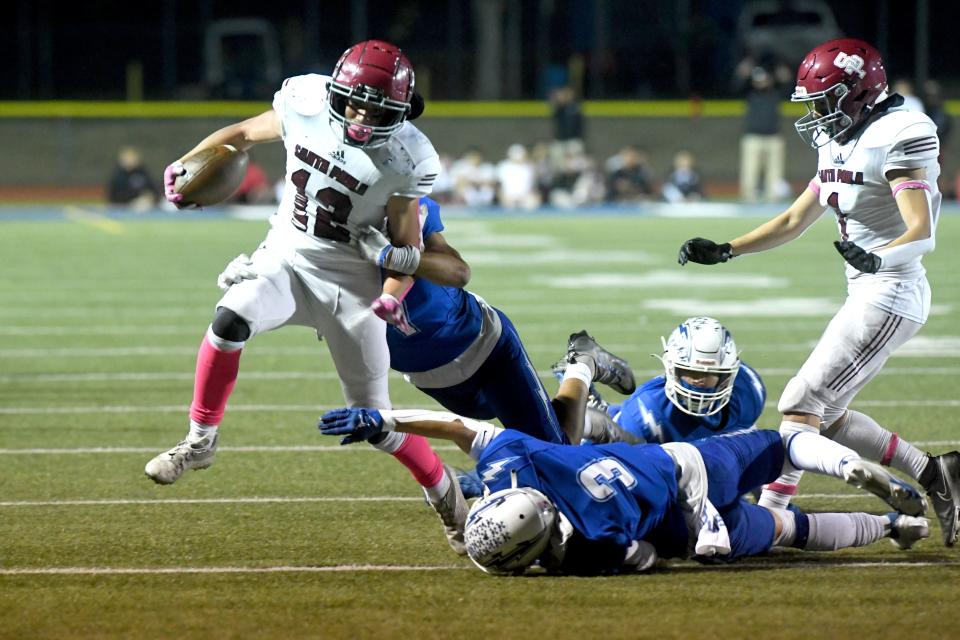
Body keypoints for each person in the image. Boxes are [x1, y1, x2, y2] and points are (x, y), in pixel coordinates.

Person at [143, 40, 470, 554]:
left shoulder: (409, 157)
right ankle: (199, 442)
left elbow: (405, 250)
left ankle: (444, 492)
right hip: (287, 257)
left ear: (401, 110)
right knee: (229, 320)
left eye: (376, 107)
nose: (361, 116)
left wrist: (389, 295)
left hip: (352, 286)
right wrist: (188, 163)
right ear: (336, 91)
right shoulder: (306, 99)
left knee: (376, 422)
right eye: (354, 102)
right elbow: (243, 136)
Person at [319, 332, 929, 575]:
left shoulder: (588, 540)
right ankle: (869, 488)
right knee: (779, 450)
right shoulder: (515, 467)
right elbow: (453, 432)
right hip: (670, 467)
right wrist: (388, 425)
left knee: (786, 527)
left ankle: (892, 524)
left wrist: (388, 428)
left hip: (671, 494)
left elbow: (641, 557)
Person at [677, 38, 960, 546]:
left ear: (857, 93)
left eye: (824, 101)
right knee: (825, 420)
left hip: (892, 292)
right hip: (869, 288)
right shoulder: (841, 139)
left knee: (801, 402)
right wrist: (727, 249)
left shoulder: (895, 135)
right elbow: (793, 219)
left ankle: (770, 515)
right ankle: (939, 473)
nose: (817, 114)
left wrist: (879, 257)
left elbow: (922, 230)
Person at [217, 196, 633, 445]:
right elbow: (296, 283)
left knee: (550, 449)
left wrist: (396, 257)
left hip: (483, 345)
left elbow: (458, 271)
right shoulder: (321, 243)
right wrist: (258, 280)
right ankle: (589, 417)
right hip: (431, 377)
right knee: (521, 423)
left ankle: (582, 364)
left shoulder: (403, 211)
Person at [565, 316, 766, 446]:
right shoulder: (647, 411)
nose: (698, 382)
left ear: (728, 375)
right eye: (690, 372)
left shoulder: (747, 389)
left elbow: (749, 450)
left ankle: (604, 408)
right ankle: (587, 386)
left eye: (709, 374)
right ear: (671, 368)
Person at [733, 53, 792, 202]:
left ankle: (772, 201)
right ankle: (748, 200)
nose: (761, 82)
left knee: (775, 175)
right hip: (753, 137)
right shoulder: (749, 93)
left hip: (774, 137)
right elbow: (735, 85)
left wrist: (782, 71)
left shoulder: (776, 93)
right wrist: (742, 72)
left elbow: (789, 86)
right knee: (749, 173)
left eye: (764, 78)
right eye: (758, 79)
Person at [106, 146, 160, 211]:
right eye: (126, 158)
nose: (129, 161)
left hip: (143, 206)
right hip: (122, 207)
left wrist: (150, 196)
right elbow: (114, 196)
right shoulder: (118, 176)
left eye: (131, 157)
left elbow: (153, 190)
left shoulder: (143, 172)